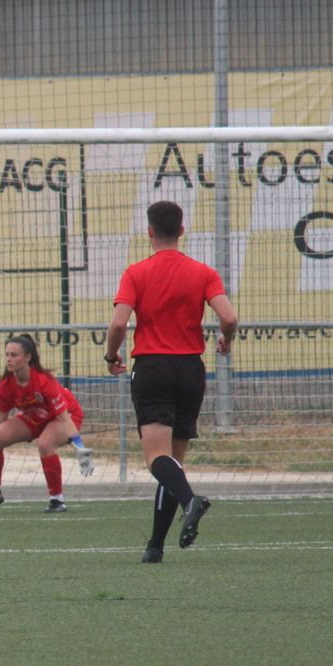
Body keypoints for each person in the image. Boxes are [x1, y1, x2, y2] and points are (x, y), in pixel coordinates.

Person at [104, 199, 238, 562]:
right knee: (173, 461)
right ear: (181, 230)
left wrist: (110, 354)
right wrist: (227, 338)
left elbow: (118, 323)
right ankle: (155, 547)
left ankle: (190, 500)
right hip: (190, 370)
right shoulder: (202, 272)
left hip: (153, 368)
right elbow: (229, 316)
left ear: (149, 231)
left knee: (156, 459)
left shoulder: (137, 272)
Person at [0, 335, 93, 513]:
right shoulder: (7, 383)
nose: (9, 359)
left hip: (65, 415)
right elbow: (1, 413)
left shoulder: (43, 381)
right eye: (7, 354)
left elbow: (64, 418)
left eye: (14, 355)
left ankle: (57, 500)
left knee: (45, 444)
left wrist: (79, 446)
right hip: (34, 416)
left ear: (27, 358)